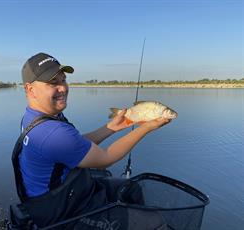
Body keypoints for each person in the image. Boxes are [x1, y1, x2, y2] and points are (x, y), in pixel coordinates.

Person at [13, 52, 171, 228]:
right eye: (53, 83)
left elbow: (76, 145)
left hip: (65, 194)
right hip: (61, 212)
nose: (63, 88)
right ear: (30, 89)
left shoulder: (34, 117)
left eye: (63, 80)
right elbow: (105, 159)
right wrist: (147, 127)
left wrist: (111, 127)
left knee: (131, 188)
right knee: (155, 222)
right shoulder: (51, 132)